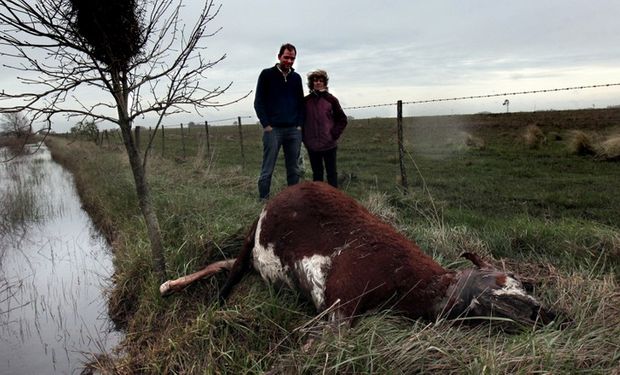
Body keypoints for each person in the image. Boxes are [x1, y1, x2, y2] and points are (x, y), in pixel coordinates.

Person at [254, 43, 305, 200]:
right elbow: (258, 102)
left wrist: (299, 125)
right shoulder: (267, 75)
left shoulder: (296, 78)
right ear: (279, 57)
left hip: (293, 130)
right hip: (273, 130)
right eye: (286, 57)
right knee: (267, 168)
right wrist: (266, 125)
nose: (289, 61)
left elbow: (301, 103)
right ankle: (263, 200)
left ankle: (293, 200)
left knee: (294, 169)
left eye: (292, 58)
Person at [302, 69, 347, 188]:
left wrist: (334, 134)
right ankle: (319, 200)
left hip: (329, 144)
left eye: (320, 80)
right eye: (315, 80)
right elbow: (300, 121)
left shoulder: (331, 100)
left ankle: (334, 200)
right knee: (317, 174)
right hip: (312, 145)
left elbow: (342, 119)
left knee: (331, 174)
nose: (318, 83)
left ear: (325, 83)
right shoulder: (305, 101)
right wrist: (305, 138)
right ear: (311, 83)